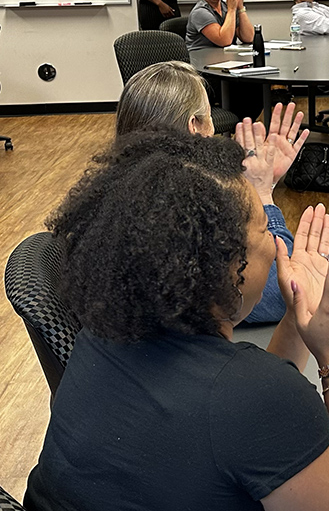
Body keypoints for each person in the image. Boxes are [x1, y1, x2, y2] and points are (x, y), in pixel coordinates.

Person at [23, 131, 329, 511]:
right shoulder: (251, 398)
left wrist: (295, 317)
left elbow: (241, 412)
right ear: (223, 268)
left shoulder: (101, 335)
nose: (276, 244)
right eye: (263, 231)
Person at [115, 60, 309, 323]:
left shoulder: (118, 190)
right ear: (194, 126)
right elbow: (284, 292)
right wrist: (263, 195)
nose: (215, 129)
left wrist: (263, 184)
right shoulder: (185, 215)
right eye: (209, 117)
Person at [185, 0, 254, 51]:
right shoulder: (199, 12)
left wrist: (240, 7)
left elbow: (249, 38)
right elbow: (224, 41)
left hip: (225, 58)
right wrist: (232, 9)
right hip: (201, 59)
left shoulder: (225, 7)